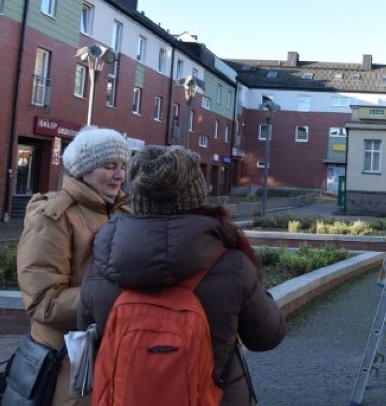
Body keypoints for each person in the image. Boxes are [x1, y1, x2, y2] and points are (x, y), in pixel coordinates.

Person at [79, 145, 287, 405]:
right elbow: (265, 337)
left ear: (138, 195)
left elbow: (86, 333)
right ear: (197, 194)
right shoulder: (231, 262)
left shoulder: (102, 259)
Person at [16, 126, 132, 406]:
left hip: (115, 353)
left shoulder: (126, 212)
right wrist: (116, 298)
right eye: (109, 166)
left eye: (122, 166)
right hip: (68, 361)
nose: (119, 174)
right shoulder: (53, 218)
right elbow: (43, 301)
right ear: (84, 170)